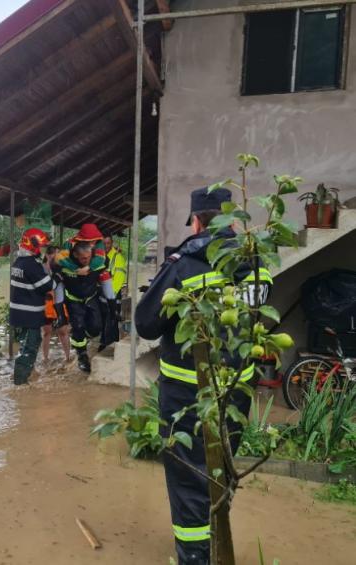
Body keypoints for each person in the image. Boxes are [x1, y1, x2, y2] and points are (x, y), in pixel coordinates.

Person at [135, 187, 272, 565]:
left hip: (188, 394)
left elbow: (145, 323)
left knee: (188, 479)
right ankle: (217, 540)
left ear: (197, 221)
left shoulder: (187, 263)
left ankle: (195, 556)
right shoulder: (256, 260)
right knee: (221, 470)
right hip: (238, 390)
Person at [8, 228, 54, 384]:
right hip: (29, 316)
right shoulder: (31, 265)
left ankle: (24, 376)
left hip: (18, 315)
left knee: (23, 346)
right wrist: (57, 277)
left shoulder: (18, 262)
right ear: (32, 245)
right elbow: (48, 286)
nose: (42, 250)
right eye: (41, 246)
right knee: (29, 349)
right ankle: (20, 385)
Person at [55, 240, 107, 373]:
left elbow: (104, 266)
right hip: (73, 300)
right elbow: (54, 266)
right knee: (78, 326)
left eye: (89, 257)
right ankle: (82, 355)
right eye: (84, 258)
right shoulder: (66, 265)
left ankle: (86, 335)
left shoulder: (96, 263)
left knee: (96, 328)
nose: (87, 260)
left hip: (91, 298)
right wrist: (60, 313)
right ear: (76, 255)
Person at [42, 245, 72, 365]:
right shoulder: (42, 269)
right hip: (46, 304)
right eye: (56, 255)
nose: (59, 258)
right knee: (46, 332)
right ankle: (45, 359)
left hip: (60, 304)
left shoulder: (63, 269)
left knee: (63, 331)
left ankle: (68, 357)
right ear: (48, 256)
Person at [102, 234, 128, 344]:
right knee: (104, 320)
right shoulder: (100, 256)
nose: (106, 245)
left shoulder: (118, 257)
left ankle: (111, 342)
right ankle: (105, 341)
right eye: (104, 243)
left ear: (112, 243)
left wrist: (111, 293)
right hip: (101, 294)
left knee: (112, 319)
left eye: (108, 243)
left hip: (113, 293)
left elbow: (119, 277)